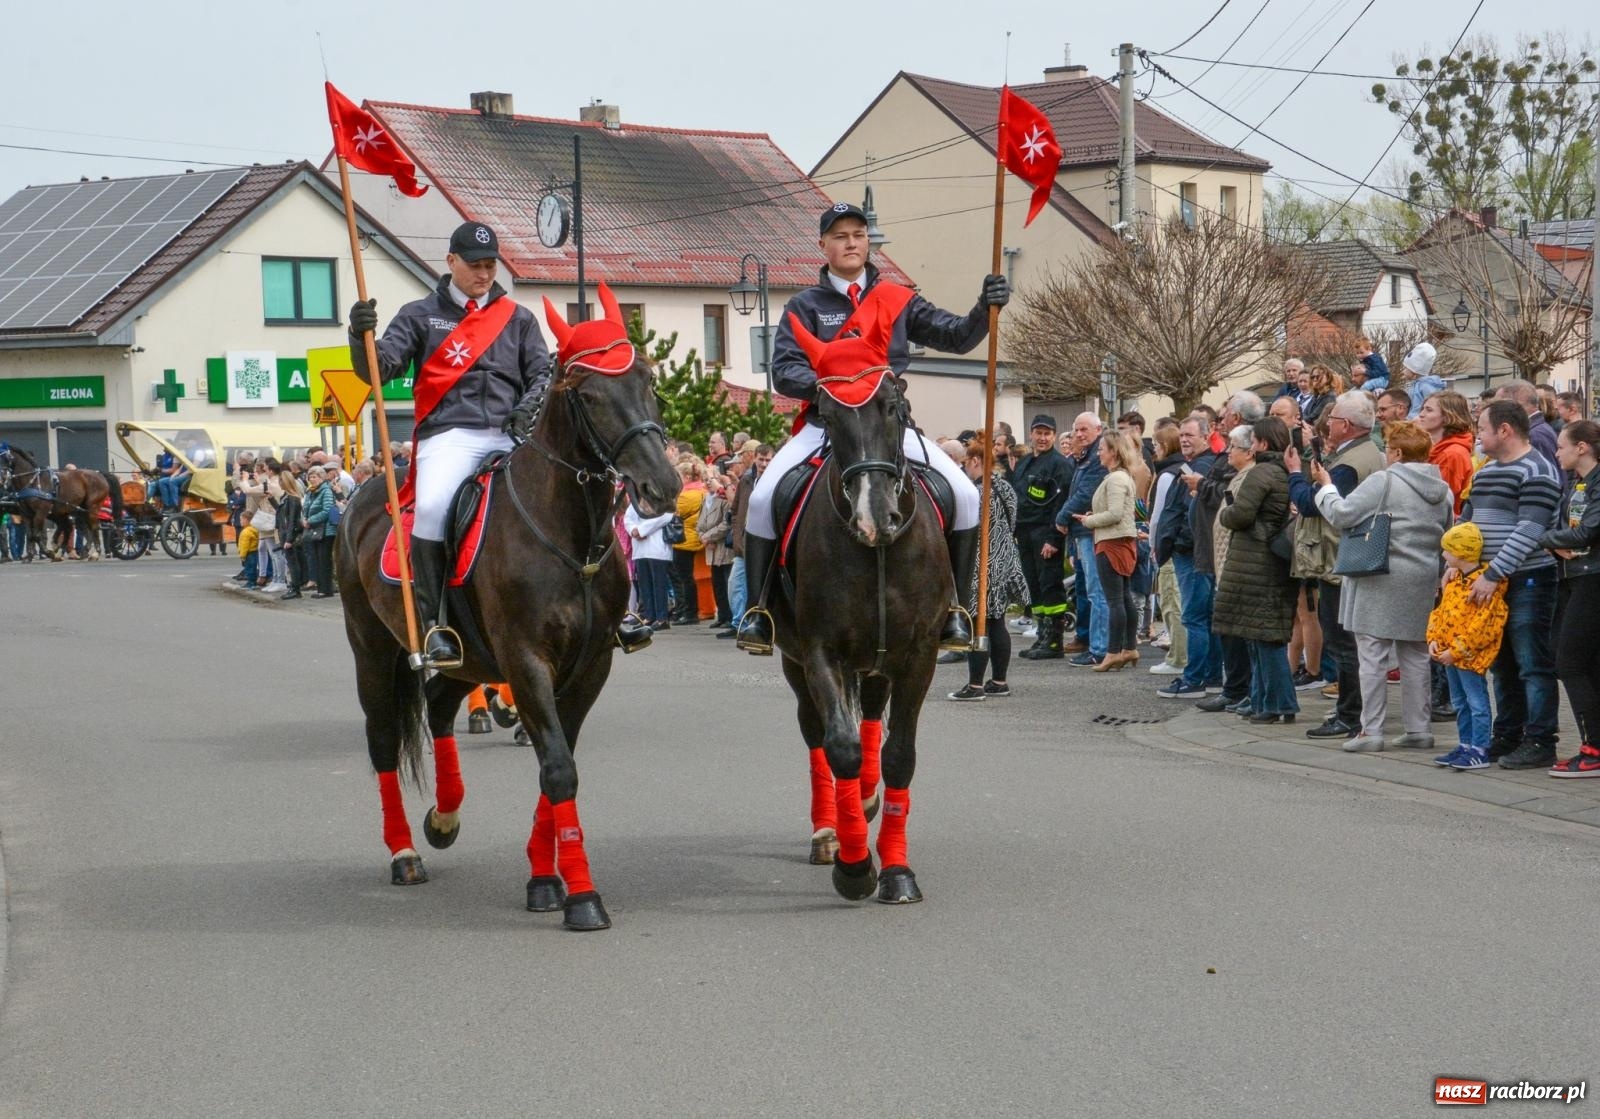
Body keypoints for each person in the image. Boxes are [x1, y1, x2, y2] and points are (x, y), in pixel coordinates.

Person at [735, 201, 1008, 653]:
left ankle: (954, 609)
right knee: (763, 499)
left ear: (868, 242)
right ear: (823, 245)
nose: (850, 243)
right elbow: (784, 370)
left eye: (858, 235)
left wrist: (985, 307)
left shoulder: (898, 299)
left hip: (887, 426)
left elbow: (957, 336)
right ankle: (759, 611)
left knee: (963, 495)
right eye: (840, 236)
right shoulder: (805, 306)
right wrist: (832, 388)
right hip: (825, 425)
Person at [349, 220, 562, 668]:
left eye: (490, 266)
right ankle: (435, 623)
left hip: (511, 434)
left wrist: (527, 409)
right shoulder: (419, 315)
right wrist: (359, 335)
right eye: (475, 266)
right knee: (431, 508)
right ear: (451, 262)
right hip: (450, 435)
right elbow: (378, 369)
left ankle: (608, 608)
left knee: (563, 495)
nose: (484, 275)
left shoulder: (519, 320)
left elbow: (542, 374)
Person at [1310, 421, 1453, 751]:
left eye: (1388, 447)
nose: (1385, 453)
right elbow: (1447, 531)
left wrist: (1326, 487)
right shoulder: (1441, 488)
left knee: (1372, 654)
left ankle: (1370, 731)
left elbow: (1343, 514)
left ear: (1398, 452)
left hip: (1380, 574)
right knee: (1415, 655)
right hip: (1422, 576)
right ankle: (1418, 729)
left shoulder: (1385, 480)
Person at [1464, 400, 1563, 769]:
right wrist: (1454, 560)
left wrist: (1494, 572)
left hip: (1528, 579)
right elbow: (1468, 517)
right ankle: (1507, 734)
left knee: (1532, 663)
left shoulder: (1538, 469)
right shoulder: (1487, 470)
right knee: (1502, 663)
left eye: (1483, 428)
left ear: (1505, 430)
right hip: (1489, 581)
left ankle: (1541, 740)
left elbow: (1531, 530)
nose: (1478, 434)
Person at [1284, 391, 1386, 739]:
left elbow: (1316, 505)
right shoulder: (1365, 453)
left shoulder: (1350, 463)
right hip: (1351, 555)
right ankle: (1354, 710)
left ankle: (1350, 713)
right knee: (1351, 642)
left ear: (1345, 425)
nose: (1327, 424)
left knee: (1344, 642)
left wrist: (1295, 475)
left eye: (1333, 420)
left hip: (1340, 559)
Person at [1212, 419, 1298, 723]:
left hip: (1256, 559)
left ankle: (1277, 704)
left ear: (1261, 443)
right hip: (1270, 558)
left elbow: (1241, 515)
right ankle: (1267, 702)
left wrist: (1227, 511)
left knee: (1264, 638)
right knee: (1264, 636)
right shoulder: (1286, 470)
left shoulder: (1262, 472)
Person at [1186, 392, 1266, 712]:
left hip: (1236, 554)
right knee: (1227, 625)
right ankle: (1235, 688)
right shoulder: (1231, 455)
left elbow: (1233, 499)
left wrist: (1201, 485)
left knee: (1236, 627)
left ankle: (1240, 689)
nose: (1220, 419)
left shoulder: (1249, 463)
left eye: (1224, 414)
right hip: (1219, 549)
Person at [1539, 420, 1600, 776]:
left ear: (1582, 447)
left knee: (1570, 662)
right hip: (1576, 578)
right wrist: (1555, 538)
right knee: (1586, 663)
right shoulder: (1577, 484)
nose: (1556, 452)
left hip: (1592, 579)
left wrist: (1548, 539)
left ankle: (1592, 747)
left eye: (1561, 446)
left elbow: (1589, 530)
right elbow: (1571, 529)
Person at [949, 441, 1030, 700]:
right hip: (1004, 561)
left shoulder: (977, 492)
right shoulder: (1004, 487)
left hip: (983, 564)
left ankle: (975, 685)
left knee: (979, 624)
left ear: (974, 461)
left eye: (966, 463)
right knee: (997, 622)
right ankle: (999, 681)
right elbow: (1013, 521)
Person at [1427, 524, 1510, 770]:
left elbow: (1484, 626)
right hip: (1449, 653)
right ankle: (1465, 744)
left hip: (1467, 657)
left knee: (1476, 703)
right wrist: (1434, 638)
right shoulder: (1453, 580)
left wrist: (1458, 650)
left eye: (1447, 550)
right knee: (1460, 702)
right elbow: (1440, 612)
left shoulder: (1483, 587)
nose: (1443, 555)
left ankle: (1480, 748)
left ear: (1461, 553)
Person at [1071, 431, 1142, 671]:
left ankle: (1112, 651)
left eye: (1102, 448)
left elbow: (1114, 514)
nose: (1098, 452)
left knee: (1115, 600)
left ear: (1113, 452)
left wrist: (1089, 521)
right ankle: (1128, 647)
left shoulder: (1116, 479)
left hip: (1111, 543)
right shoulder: (1120, 477)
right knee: (1122, 597)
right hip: (1118, 541)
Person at [1009, 415, 1074, 660]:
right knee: (1033, 585)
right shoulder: (1026, 462)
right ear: (1031, 435)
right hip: (1024, 533)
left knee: (1050, 585)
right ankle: (1042, 635)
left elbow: (1060, 504)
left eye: (1048, 433)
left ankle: (1055, 640)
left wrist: (1053, 538)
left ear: (1055, 436)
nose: (1043, 438)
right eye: (1039, 433)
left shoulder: (1059, 464)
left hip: (1045, 532)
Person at [1055, 413, 1110, 667]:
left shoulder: (1097, 460)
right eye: (1076, 430)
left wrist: (1062, 516)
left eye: (1084, 429)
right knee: (1089, 590)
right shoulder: (1083, 459)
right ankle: (1094, 643)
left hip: (1090, 532)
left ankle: (1099, 648)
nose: (1079, 434)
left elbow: (1085, 494)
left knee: (1097, 592)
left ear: (1098, 430)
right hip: (1081, 533)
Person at [1145, 424, 1187, 676]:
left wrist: (1153, 544)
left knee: (1172, 603)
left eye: (1157, 445)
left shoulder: (1166, 476)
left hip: (1168, 546)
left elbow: (1158, 516)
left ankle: (1178, 657)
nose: (1155, 451)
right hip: (1177, 544)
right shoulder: (1181, 469)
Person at [1416, 390, 1476, 515]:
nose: (1421, 414)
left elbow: (1439, 501)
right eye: (1422, 409)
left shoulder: (1451, 454)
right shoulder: (1439, 448)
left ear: (1447, 416)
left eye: (1429, 410)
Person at [624, 496, 676, 628]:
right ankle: (649, 615)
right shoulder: (637, 501)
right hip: (640, 549)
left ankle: (662, 618)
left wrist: (641, 530)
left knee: (659, 584)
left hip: (657, 547)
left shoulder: (663, 499)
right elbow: (628, 518)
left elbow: (666, 516)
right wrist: (633, 530)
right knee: (644, 584)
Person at [669, 459, 707, 625]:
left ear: (686, 476)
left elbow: (674, 511)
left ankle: (689, 612)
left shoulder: (685, 495)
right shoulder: (702, 491)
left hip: (684, 540)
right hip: (694, 538)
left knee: (685, 578)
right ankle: (690, 611)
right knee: (690, 577)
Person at [697, 472, 735, 632]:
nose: (707, 483)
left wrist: (708, 537)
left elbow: (726, 523)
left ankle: (730, 616)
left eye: (710, 480)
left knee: (726, 583)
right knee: (717, 583)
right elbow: (699, 522)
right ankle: (722, 616)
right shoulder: (705, 499)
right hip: (710, 547)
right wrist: (702, 536)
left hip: (722, 547)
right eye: (705, 480)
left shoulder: (724, 499)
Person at [1495, 379, 1559, 468]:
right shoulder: (1536, 430)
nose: (1495, 411)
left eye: (1499, 405)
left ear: (1515, 403)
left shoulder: (1535, 435)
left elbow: (1544, 477)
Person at [300, 465, 338, 599]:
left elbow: (327, 510)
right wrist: (304, 519)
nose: (312, 479)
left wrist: (310, 520)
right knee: (317, 559)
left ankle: (326, 589)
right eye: (310, 476)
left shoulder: (326, 491)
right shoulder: (310, 491)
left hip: (326, 531)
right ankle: (322, 588)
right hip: (314, 530)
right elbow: (305, 507)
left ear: (321, 477)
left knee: (324, 560)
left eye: (314, 476)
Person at [274, 469, 306, 600]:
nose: (279, 483)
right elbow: (282, 513)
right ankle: (294, 587)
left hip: (289, 535)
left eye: (281, 480)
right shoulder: (286, 497)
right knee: (291, 561)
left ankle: (295, 588)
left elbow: (292, 519)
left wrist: (289, 539)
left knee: (293, 563)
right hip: (285, 533)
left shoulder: (293, 499)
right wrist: (271, 499)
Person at [1398, 342, 1447, 417]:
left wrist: (1410, 420)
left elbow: (1421, 408)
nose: (1403, 371)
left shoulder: (1425, 386)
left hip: (1420, 423)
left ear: (1414, 370)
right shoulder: (1417, 385)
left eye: (1406, 368)